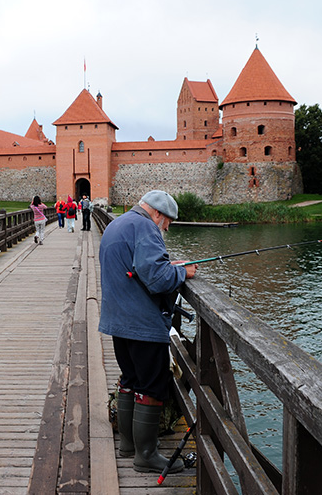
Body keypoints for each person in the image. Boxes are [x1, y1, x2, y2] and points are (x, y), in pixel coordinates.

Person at [98, 190, 197, 474]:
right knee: (152, 387)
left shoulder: (120, 223)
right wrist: (183, 273)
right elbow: (157, 279)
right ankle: (147, 455)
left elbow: (140, 266)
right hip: (142, 324)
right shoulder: (145, 228)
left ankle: (128, 445)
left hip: (118, 321)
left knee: (130, 380)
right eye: (167, 223)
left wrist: (167, 266)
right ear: (158, 214)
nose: (166, 229)